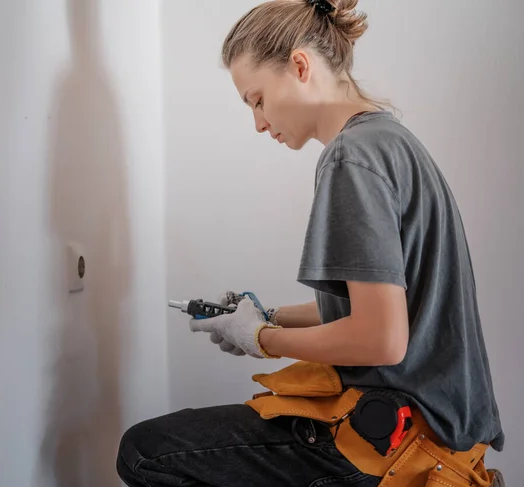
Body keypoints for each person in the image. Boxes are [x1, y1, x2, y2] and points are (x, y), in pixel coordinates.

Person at [116, 1, 505, 485]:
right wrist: (264, 314)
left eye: (257, 99)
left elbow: (381, 338)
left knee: (144, 452)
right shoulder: (389, 140)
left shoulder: (351, 159)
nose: (258, 122)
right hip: (444, 435)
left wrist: (260, 340)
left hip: (396, 443)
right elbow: (367, 310)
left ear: (299, 66)